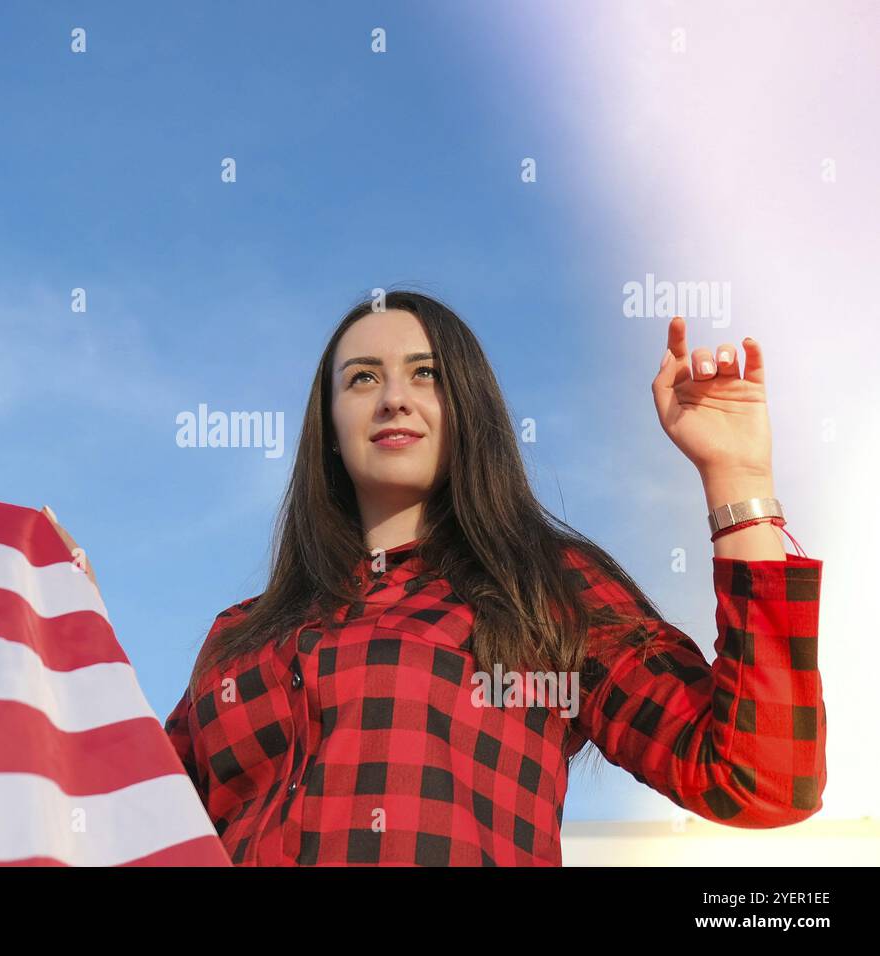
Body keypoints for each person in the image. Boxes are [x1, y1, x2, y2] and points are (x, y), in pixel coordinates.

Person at [46, 290, 825, 866]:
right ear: (330, 424)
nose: (394, 397)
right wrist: (69, 628)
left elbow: (761, 778)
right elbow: (136, 816)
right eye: (362, 378)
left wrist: (738, 477)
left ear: (468, 407)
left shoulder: (544, 587)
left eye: (426, 374)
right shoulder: (239, 635)